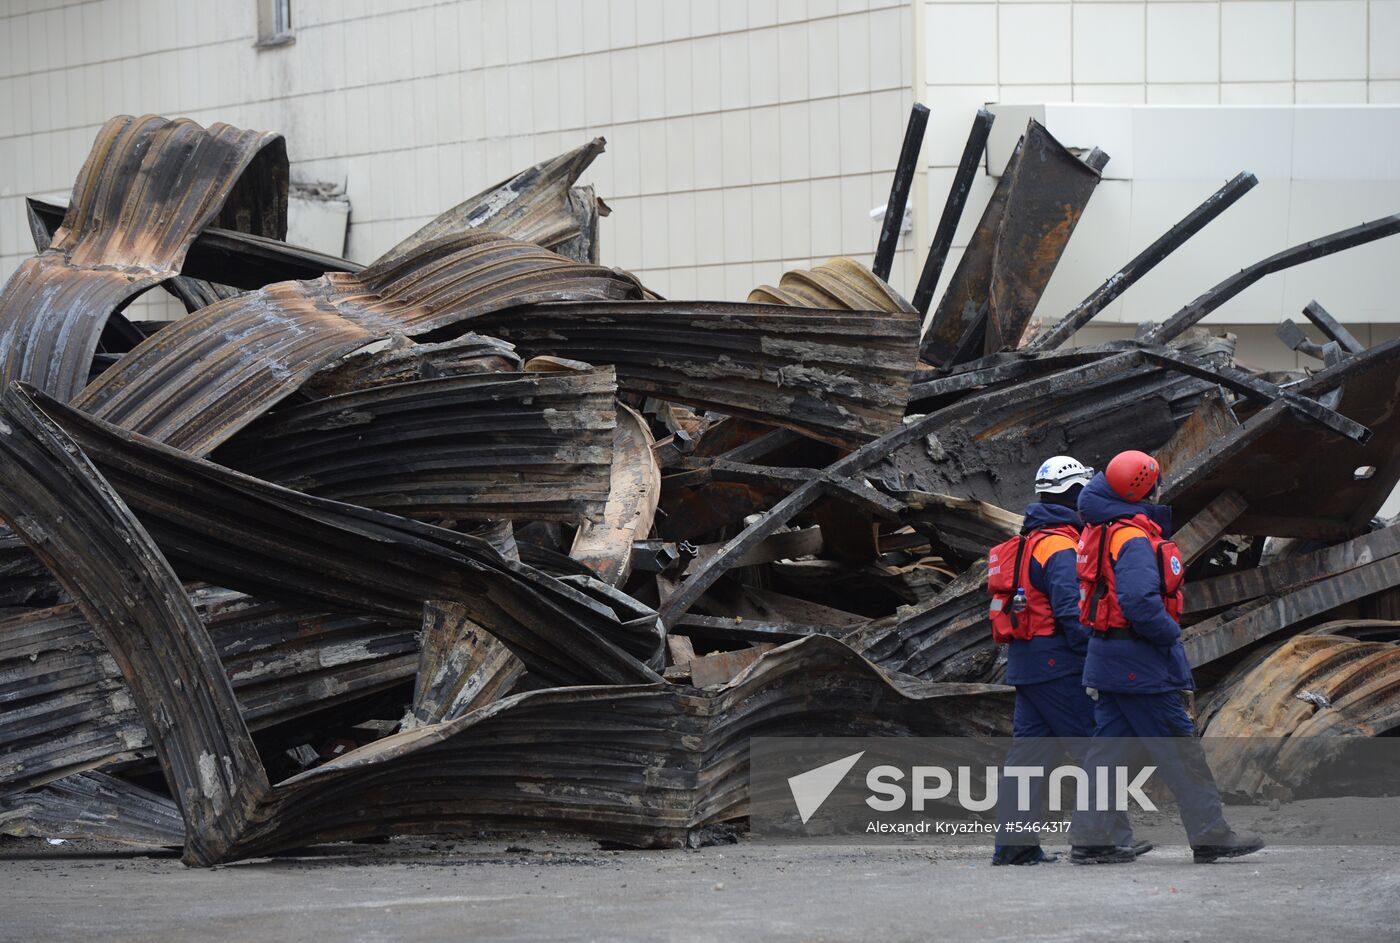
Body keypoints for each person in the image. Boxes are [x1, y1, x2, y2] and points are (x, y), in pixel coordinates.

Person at [1069, 450, 1264, 865]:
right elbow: (1139, 601)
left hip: (1107, 657)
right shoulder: (1134, 538)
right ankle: (1211, 834)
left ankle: (1093, 839)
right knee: (1180, 750)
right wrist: (1169, 633)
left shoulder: (1102, 530)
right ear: (1144, 488)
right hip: (1140, 661)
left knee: (1108, 753)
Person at [988, 456, 1137, 866]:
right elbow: (1072, 613)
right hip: (1058, 664)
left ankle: (1014, 848)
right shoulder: (1061, 546)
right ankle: (1107, 838)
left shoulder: (1026, 542)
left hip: (1026, 663)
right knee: (1095, 748)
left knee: (1027, 759)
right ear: (1075, 494)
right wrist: (1098, 659)